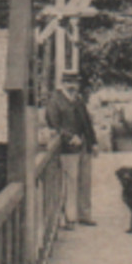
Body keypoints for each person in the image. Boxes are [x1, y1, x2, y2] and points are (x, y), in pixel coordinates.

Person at [46, 84, 97, 226]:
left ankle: (85, 215)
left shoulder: (78, 100)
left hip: (84, 147)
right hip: (68, 149)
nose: (72, 85)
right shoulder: (54, 101)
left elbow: (87, 123)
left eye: (75, 81)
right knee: (71, 183)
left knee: (85, 181)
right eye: (68, 81)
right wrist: (70, 137)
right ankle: (70, 217)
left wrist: (93, 142)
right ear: (62, 84)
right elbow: (54, 126)